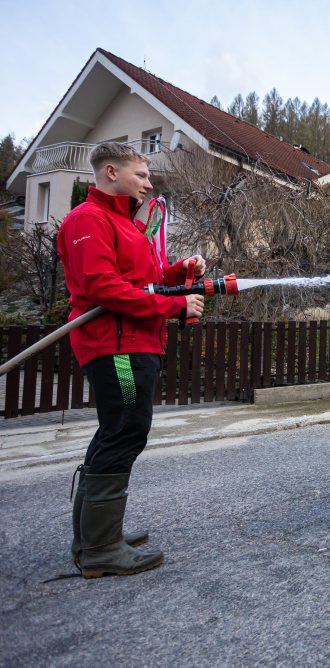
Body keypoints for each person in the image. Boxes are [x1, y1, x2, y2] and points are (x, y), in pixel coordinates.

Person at [57, 142, 206, 578]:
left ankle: (93, 536)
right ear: (111, 172)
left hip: (134, 344)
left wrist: (177, 273)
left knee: (117, 430)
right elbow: (102, 287)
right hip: (117, 349)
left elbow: (143, 282)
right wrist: (176, 306)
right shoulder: (87, 220)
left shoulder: (124, 224)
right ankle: (101, 547)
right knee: (125, 431)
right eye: (140, 174)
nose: (148, 183)